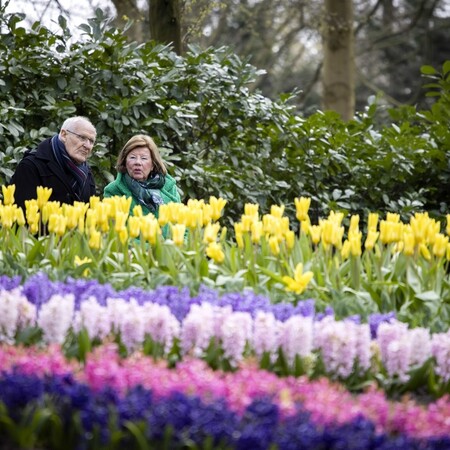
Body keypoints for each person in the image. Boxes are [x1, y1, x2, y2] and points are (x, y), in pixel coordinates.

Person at [10, 116, 97, 210]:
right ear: (64, 135)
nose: (87, 146)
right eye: (82, 138)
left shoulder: (86, 172)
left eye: (91, 141)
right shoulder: (31, 166)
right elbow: (21, 213)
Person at [103, 134, 181, 223]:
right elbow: (113, 227)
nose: (138, 163)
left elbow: (183, 224)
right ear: (124, 162)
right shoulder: (114, 190)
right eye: (133, 157)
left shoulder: (169, 187)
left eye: (144, 158)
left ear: (153, 164)